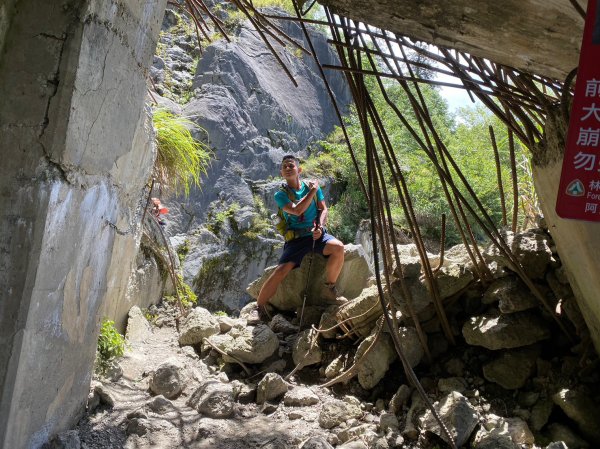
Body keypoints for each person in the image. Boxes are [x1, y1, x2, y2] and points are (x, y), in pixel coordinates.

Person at [255, 154, 345, 319]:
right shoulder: (281, 195)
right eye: (285, 167)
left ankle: (330, 289)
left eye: (291, 165)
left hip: (316, 234)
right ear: (281, 173)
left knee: (338, 247)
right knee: (281, 271)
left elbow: (323, 209)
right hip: (296, 239)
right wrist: (313, 190)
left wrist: (321, 226)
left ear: (299, 169)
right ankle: (259, 307)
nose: (288, 168)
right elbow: (296, 210)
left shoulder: (311, 187)